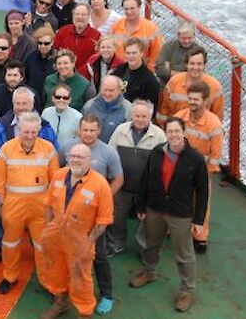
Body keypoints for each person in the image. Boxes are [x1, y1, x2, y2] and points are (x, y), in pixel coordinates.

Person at [130, 117, 209, 313]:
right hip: (155, 209)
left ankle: (187, 290)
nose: (173, 135)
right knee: (151, 244)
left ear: (184, 132)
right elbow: (145, 180)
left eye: (177, 131)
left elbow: (202, 191)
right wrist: (140, 206)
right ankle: (150, 272)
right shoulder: (157, 152)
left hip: (180, 214)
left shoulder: (196, 159)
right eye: (170, 131)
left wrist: (198, 220)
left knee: (184, 254)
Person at [58, 115, 124, 314]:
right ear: (79, 130)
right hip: (70, 214)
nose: (88, 134)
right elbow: (60, 172)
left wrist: (103, 199)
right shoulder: (68, 147)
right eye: (84, 130)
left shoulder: (108, 152)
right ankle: (67, 290)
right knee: (68, 252)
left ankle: (106, 294)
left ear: (99, 130)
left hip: (94, 216)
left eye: (92, 130)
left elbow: (119, 178)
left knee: (99, 255)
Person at [39, 143, 113, 319]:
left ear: (90, 160)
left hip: (81, 240)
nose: (75, 160)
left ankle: (85, 312)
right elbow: (49, 204)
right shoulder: (59, 176)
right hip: (56, 237)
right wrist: (49, 228)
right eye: (72, 156)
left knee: (81, 278)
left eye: (80, 157)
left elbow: (103, 221)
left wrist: (88, 242)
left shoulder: (100, 185)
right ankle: (61, 304)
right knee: (56, 272)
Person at [0, 87, 58, 264]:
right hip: (11, 194)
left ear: (33, 104)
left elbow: (54, 163)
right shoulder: (1, 125)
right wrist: (0, 195)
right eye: (18, 103)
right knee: (5, 229)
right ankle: (1, 251)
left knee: (41, 237)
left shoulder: (45, 126)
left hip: (38, 197)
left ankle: (41, 264)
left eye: (25, 103)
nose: (21, 107)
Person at [0, 112, 59, 295]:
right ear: (19, 130)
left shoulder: (48, 149)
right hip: (13, 207)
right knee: (10, 244)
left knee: (42, 246)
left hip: (41, 209)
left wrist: (52, 208)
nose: (30, 136)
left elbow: (56, 181)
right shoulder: (6, 149)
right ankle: (10, 276)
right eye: (26, 131)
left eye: (34, 132)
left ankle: (47, 282)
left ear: (39, 130)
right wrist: (2, 204)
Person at [107, 99, 166, 255]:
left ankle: (144, 249)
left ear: (150, 117)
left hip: (147, 189)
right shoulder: (120, 130)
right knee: (117, 217)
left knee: (147, 221)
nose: (140, 119)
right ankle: (115, 244)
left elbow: (164, 164)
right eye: (137, 115)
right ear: (131, 115)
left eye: (144, 116)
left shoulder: (159, 135)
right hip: (122, 185)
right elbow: (111, 155)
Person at [173, 81, 223, 253]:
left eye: (196, 99)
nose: (192, 102)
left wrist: (202, 175)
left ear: (206, 101)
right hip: (179, 169)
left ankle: (200, 237)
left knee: (202, 203)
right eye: (190, 98)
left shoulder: (214, 124)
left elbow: (215, 156)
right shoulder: (180, 116)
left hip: (201, 172)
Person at [157, 46, 224, 124]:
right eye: (192, 63)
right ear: (186, 64)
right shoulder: (174, 82)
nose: (195, 67)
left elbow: (217, 118)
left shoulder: (215, 87)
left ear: (204, 65)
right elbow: (164, 110)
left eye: (199, 64)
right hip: (175, 132)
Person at [110, 0, 163, 72]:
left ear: (139, 8)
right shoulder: (116, 26)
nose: (129, 11)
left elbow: (156, 55)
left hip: (141, 72)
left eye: (132, 8)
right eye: (126, 9)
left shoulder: (152, 28)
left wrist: (149, 72)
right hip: (118, 70)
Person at [110, 37, 161, 114]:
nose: (131, 56)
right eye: (128, 53)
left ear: (142, 53)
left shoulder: (150, 80)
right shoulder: (119, 71)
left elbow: (151, 110)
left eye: (134, 53)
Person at [82, 75, 133, 143]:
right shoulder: (89, 106)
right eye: (105, 90)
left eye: (111, 91)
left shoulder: (128, 109)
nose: (107, 93)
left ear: (119, 91)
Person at [53, 3, 101, 74]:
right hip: (63, 74)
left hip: (85, 78)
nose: (79, 17)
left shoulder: (96, 36)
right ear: (73, 16)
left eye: (83, 14)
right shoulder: (63, 31)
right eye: (77, 14)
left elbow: (96, 60)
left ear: (89, 16)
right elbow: (55, 52)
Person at [41, 83, 82, 149]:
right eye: (58, 97)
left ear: (70, 100)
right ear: (53, 98)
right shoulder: (46, 113)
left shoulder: (77, 117)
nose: (61, 100)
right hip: (48, 154)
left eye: (65, 98)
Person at [23, 27, 57, 102]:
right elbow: (24, 76)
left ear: (52, 42)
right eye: (40, 43)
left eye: (46, 43)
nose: (43, 46)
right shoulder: (30, 57)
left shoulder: (58, 59)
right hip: (33, 98)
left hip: (52, 99)